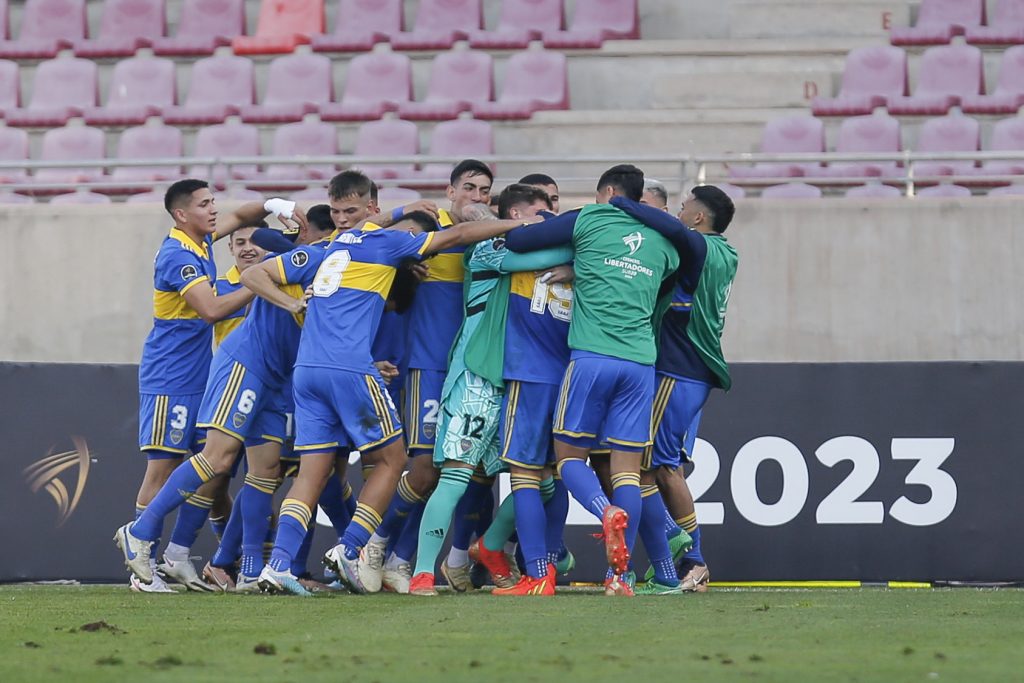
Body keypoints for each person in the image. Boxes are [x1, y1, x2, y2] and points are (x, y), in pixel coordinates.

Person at [251, 178, 526, 596]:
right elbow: (458, 234)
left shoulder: (323, 250)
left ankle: (277, 565)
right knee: (394, 460)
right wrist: (513, 225)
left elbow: (255, 274)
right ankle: (351, 548)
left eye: (349, 212)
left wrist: (292, 304)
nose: (343, 219)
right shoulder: (383, 244)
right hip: (350, 368)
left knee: (310, 473)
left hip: (306, 370)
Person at [500, 164, 687, 596]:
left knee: (568, 460)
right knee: (628, 473)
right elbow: (664, 284)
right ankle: (619, 578)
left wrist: (577, 266)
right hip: (641, 364)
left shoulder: (590, 217)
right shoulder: (664, 244)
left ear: (606, 191)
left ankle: (604, 513)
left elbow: (519, 239)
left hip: (591, 359)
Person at [122, 179, 286, 592]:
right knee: (162, 468)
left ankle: (177, 557)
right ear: (182, 214)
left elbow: (243, 216)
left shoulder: (201, 240)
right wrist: (258, 282)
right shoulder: (180, 256)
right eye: (204, 204)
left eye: (213, 202)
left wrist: (276, 202)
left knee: (216, 467)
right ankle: (141, 557)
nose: (214, 210)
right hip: (170, 374)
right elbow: (211, 310)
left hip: (199, 371)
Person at [405, 185, 567, 596]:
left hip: (515, 378)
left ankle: (491, 546)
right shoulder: (488, 249)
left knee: (541, 482)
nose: (541, 221)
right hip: (475, 378)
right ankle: (423, 572)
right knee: (455, 478)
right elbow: (544, 257)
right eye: (536, 213)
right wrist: (583, 253)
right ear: (513, 215)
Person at [365, 160, 495, 590]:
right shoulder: (426, 230)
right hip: (428, 364)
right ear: (450, 191)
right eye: (470, 188)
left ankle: (405, 560)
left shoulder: (488, 240)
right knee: (423, 469)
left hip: (473, 372)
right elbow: (362, 242)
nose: (477, 197)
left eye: (485, 191)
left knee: (463, 474)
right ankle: (377, 545)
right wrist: (404, 264)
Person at [612, 186, 738, 594]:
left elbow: (672, 232)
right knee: (660, 466)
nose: (677, 213)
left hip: (677, 371)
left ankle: (691, 557)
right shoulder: (726, 253)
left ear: (699, 218)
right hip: (692, 372)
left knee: (655, 466)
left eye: (683, 209)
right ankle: (675, 563)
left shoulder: (699, 245)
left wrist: (620, 203)